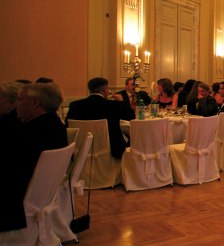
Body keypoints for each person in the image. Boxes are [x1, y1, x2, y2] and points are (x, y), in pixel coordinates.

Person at [1, 83, 67, 232]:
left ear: (36, 103)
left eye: (19, 99)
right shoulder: (53, 124)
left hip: (16, 196)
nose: (16, 104)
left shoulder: (29, 132)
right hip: (40, 194)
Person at [66, 77, 131, 159]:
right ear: (105, 90)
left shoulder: (75, 105)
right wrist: (121, 101)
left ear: (89, 90)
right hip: (111, 151)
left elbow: (68, 126)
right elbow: (130, 116)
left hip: (80, 151)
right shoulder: (113, 105)